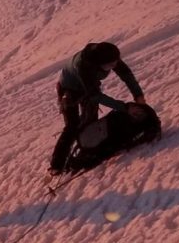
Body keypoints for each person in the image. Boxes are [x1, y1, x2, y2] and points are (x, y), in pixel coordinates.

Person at [48, 42, 147, 175]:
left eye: (116, 62)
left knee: (91, 122)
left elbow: (127, 75)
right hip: (69, 89)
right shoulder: (83, 66)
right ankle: (57, 165)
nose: (114, 66)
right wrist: (124, 107)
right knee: (72, 126)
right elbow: (96, 96)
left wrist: (138, 95)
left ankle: (89, 149)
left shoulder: (110, 56)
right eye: (110, 65)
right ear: (99, 63)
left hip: (90, 85)